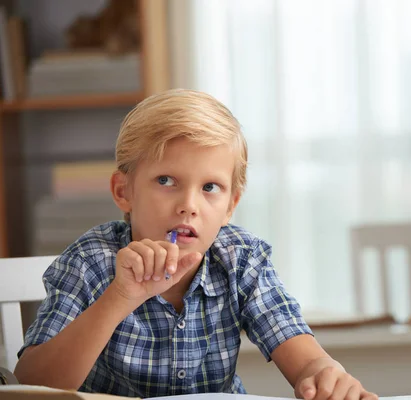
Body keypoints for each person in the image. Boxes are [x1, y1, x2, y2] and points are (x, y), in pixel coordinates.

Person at [14, 89, 378, 400]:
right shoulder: (91, 261)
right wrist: (119, 298)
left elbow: (306, 360)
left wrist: (326, 375)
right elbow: (35, 383)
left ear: (230, 205)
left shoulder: (241, 259)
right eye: (167, 180)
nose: (189, 204)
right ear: (124, 191)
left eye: (209, 188)